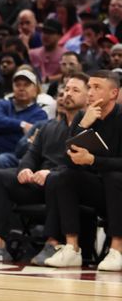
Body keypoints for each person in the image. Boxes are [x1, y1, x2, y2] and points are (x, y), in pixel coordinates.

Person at [0, 74, 88, 264]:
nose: (67, 94)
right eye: (66, 89)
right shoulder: (49, 127)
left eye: (75, 90)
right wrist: (25, 168)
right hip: (38, 182)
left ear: (89, 97)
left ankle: (53, 243)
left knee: (58, 180)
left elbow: (82, 165)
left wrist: (51, 172)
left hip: (66, 185)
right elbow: (31, 155)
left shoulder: (89, 129)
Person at [43, 71, 122, 270]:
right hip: (98, 190)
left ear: (113, 93)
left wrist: (92, 160)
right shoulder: (82, 116)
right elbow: (67, 160)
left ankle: (117, 250)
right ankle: (72, 248)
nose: (90, 93)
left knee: (114, 177)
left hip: (118, 188)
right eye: (90, 87)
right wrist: (83, 124)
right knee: (65, 176)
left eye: (97, 88)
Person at [0, 69, 49, 168]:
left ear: (35, 89)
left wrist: (3, 127)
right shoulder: (2, 104)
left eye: (26, 85)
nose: (21, 88)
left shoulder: (40, 114)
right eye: (18, 85)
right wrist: (21, 125)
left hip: (17, 156)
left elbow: (25, 143)